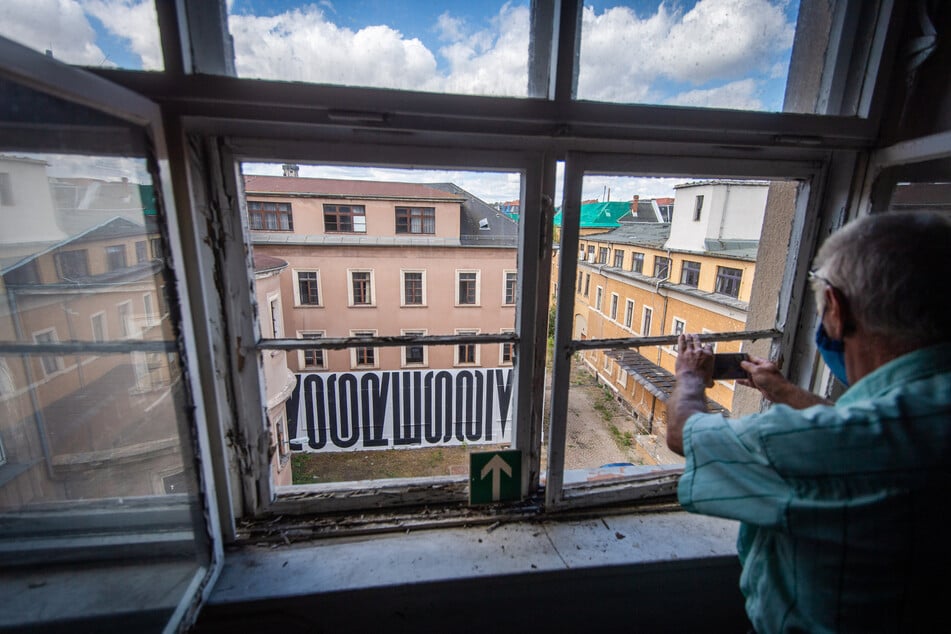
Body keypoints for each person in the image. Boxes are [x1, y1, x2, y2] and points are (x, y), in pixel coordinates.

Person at [666, 210, 951, 633]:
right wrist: (783, 391)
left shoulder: (816, 443)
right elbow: (875, 430)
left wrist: (689, 375)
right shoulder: (924, 412)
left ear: (835, 306)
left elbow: (683, 433)